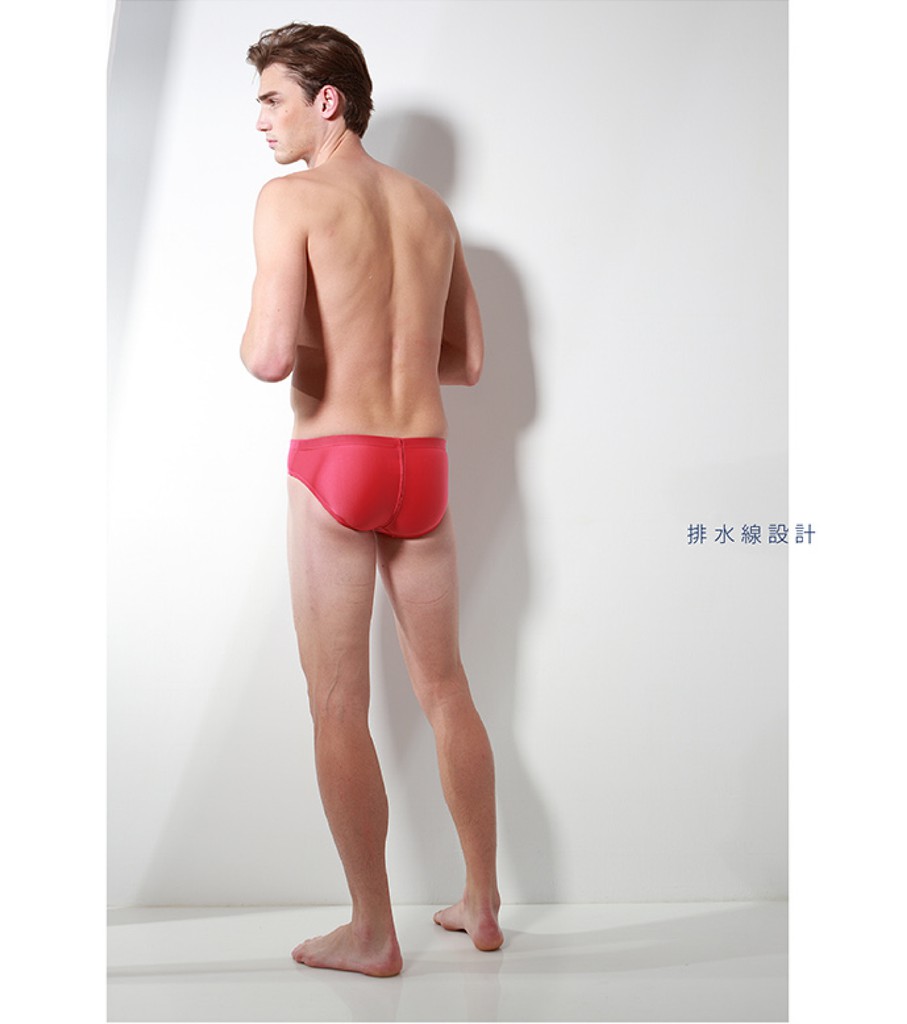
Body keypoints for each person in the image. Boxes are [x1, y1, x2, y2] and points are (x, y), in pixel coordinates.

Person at [241, 22, 502, 977]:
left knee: (337, 705)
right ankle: (482, 902)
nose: (261, 121)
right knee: (447, 687)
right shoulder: (430, 208)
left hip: (335, 462)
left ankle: (371, 930)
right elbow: (467, 362)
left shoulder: (291, 200)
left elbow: (268, 356)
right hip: (420, 462)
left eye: (272, 99)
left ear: (328, 101)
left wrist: (320, 338)